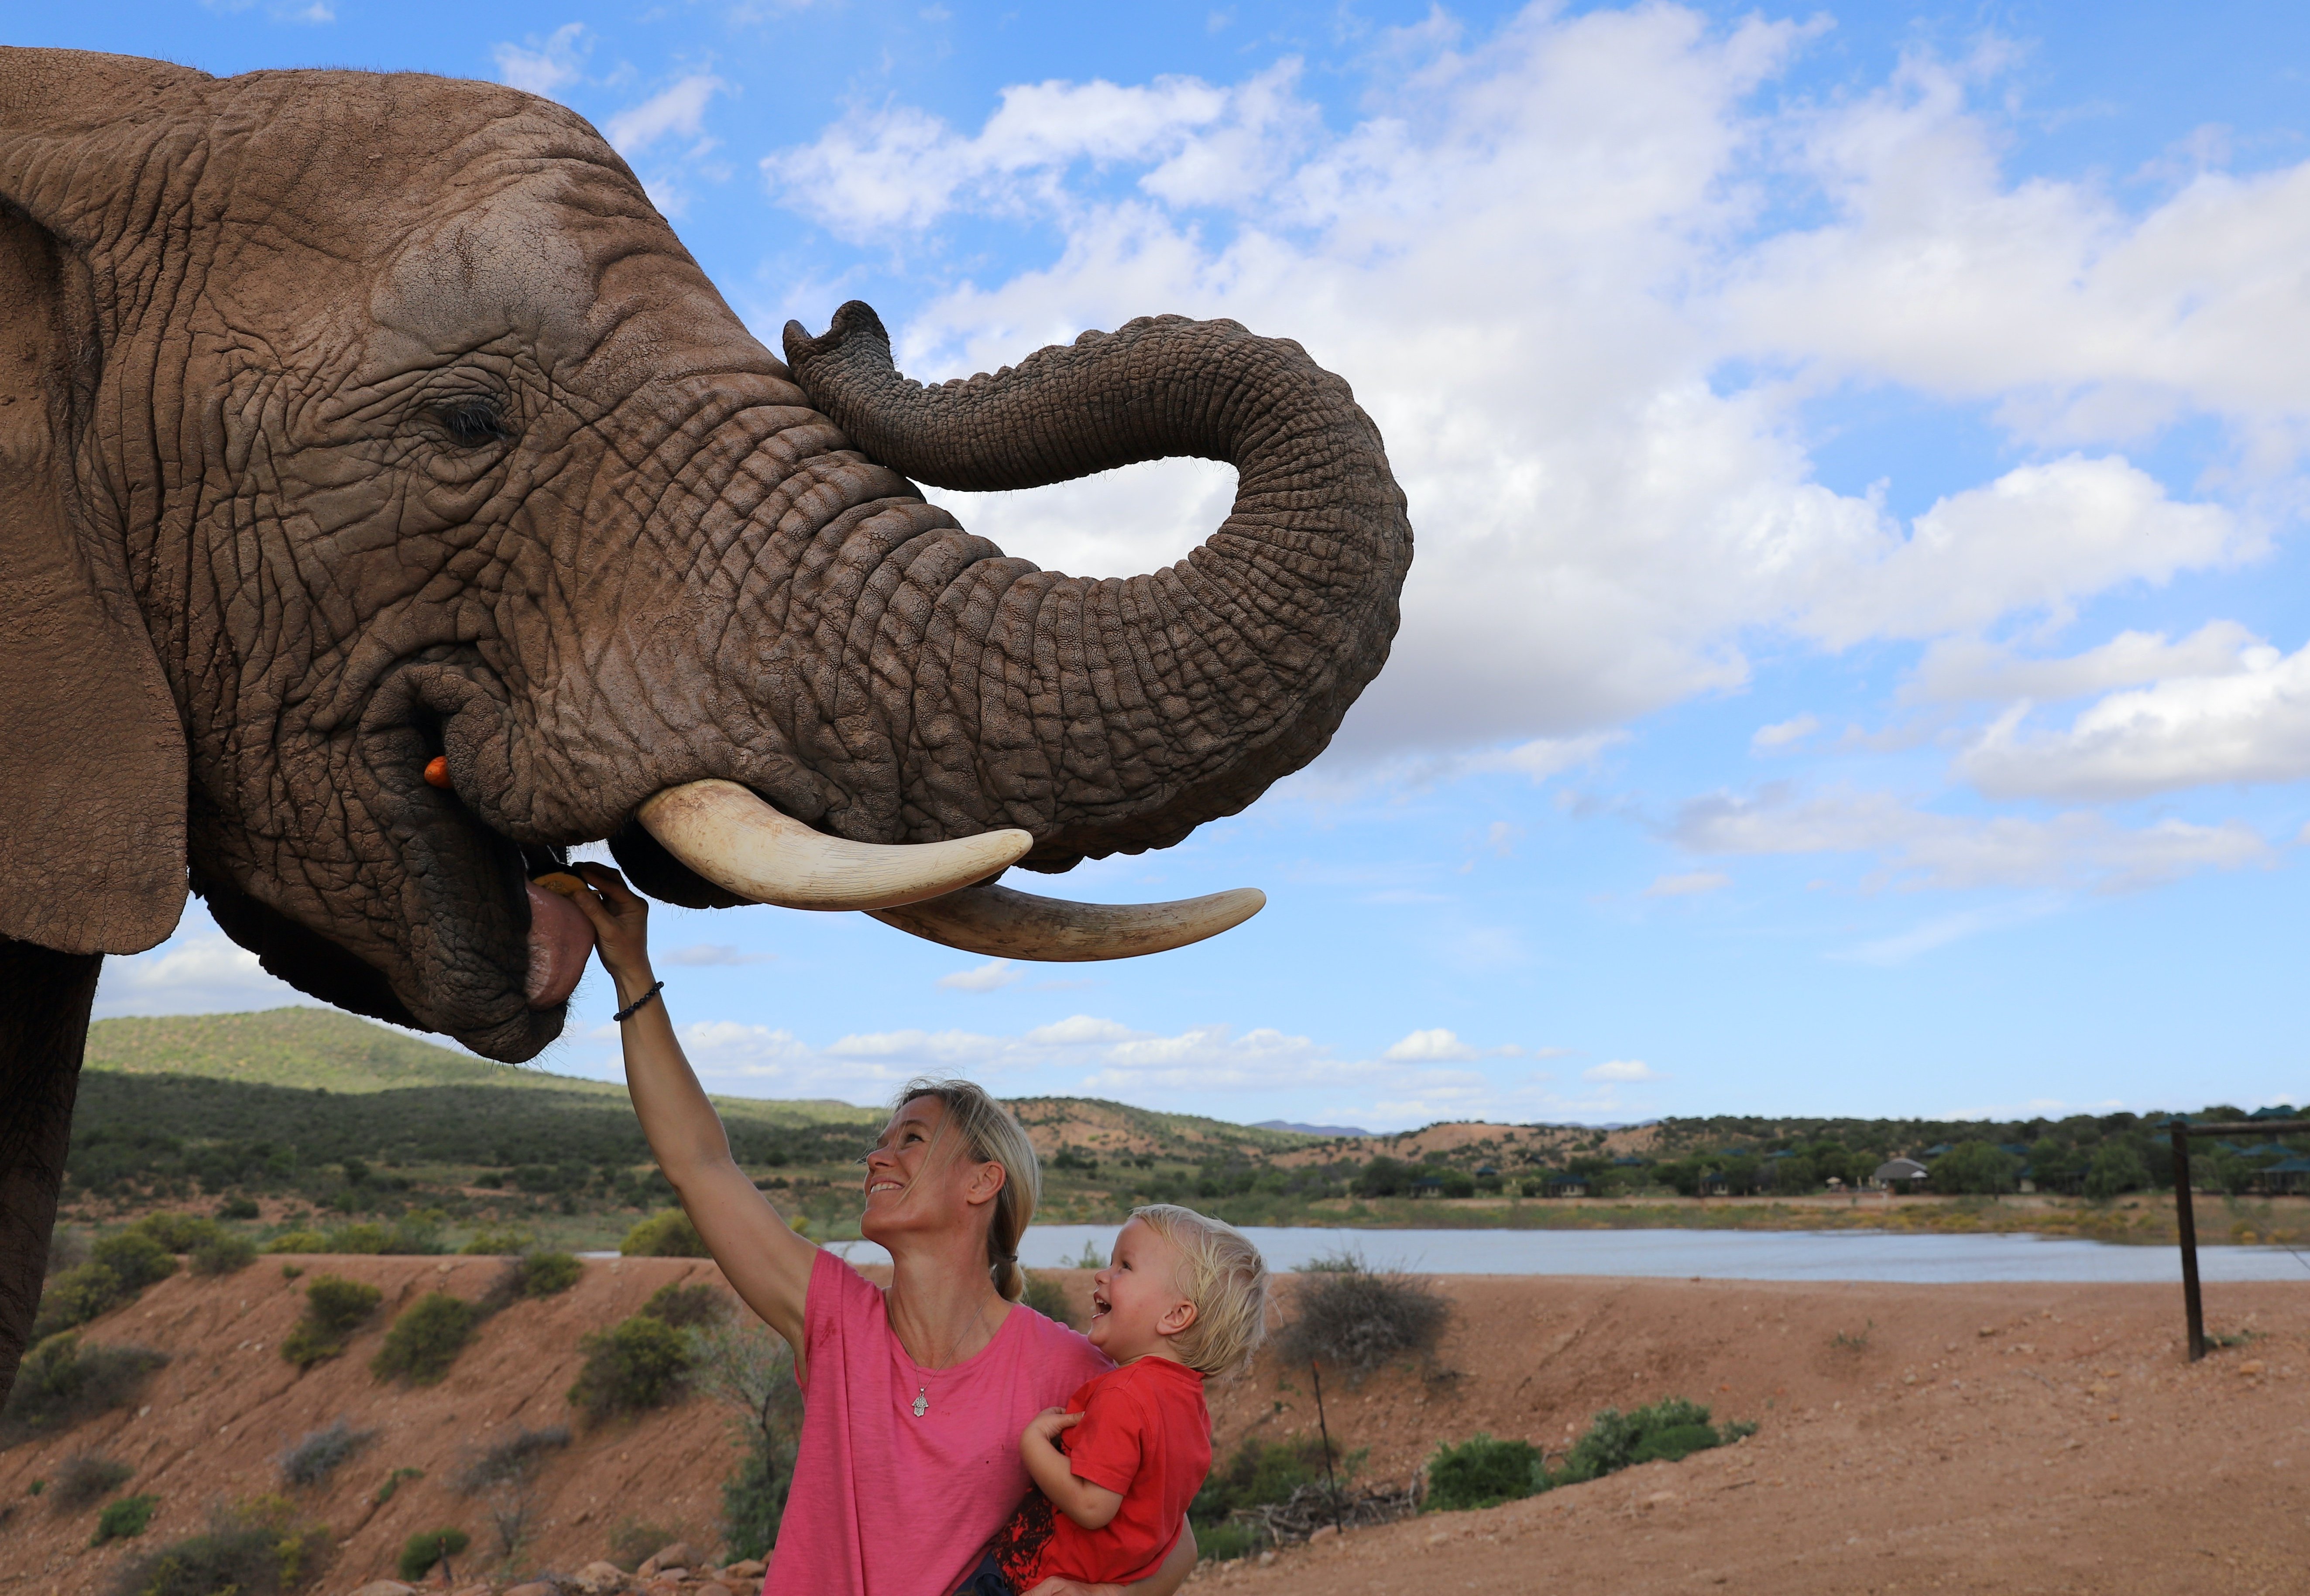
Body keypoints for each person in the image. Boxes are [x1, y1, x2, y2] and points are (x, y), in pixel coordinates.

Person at [562, 864, 1198, 1596]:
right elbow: (700, 1163)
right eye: (881, 1139)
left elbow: (1171, 1535)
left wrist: (1099, 1594)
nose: (876, 1156)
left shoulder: (1065, 1367)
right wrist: (631, 972)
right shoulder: (834, 1318)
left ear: (981, 1181)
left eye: (912, 1139)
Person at [965, 1208, 1267, 1595]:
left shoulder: (1123, 1393)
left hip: (1026, 1582)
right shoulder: (1190, 1407)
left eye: (1124, 1266)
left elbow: (1093, 1506)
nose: (1102, 1275)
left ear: (1176, 1316)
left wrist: (1034, 1444)